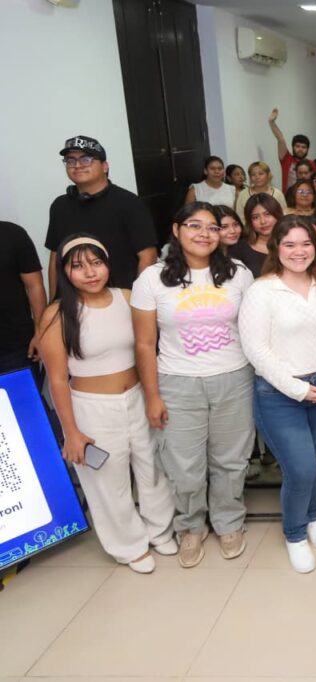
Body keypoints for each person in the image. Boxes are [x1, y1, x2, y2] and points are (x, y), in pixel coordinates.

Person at [37, 235, 176, 573]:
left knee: (153, 467)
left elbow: (149, 345)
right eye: (78, 266)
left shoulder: (127, 297)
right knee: (108, 480)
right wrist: (71, 432)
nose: (90, 273)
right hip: (92, 406)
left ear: (107, 264)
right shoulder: (57, 314)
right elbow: (57, 379)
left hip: (138, 395)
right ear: (64, 272)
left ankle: (160, 529)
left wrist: (154, 396)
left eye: (96, 263)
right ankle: (128, 545)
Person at [132, 202, 255, 568]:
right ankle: (190, 526)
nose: (204, 234)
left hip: (234, 378)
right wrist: (152, 396)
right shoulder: (151, 279)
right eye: (194, 225)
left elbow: (254, 328)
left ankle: (229, 521)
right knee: (183, 464)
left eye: (212, 227)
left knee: (231, 459)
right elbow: (144, 344)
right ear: (176, 230)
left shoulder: (239, 274)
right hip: (177, 381)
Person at [239, 215, 316, 573]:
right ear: (276, 248)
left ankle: (313, 516)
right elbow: (256, 350)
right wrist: (299, 389)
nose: (299, 251)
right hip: (280, 393)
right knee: (299, 468)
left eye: (306, 243)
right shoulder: (261, 291)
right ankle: (295, 533)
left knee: (314, 461)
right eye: (290, 244)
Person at [46, 135, 157, 293]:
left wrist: (139, 299)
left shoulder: (129, 203)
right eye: (70, 161)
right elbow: (55, 258)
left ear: (104, 166)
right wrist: (54, 301)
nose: (77, 165)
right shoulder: (59, 206)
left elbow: (148, 256)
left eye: (86, 159)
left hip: (122, 296)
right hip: (74, 299)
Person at [0, 221, 45, 377]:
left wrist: (40, 333)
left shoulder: (12, 233)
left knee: (23, 393)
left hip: (16, 345)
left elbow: (35, 286)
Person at [232, 193, 284, 275]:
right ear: (250, 221)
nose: (263, 221)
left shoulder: (292, 244)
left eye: (267, 214)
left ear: (278, 214)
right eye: (256, 217)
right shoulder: (239, 249)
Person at [268, 108, 315, 193]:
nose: (300, 149)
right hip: (288, 198)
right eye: (297, 146)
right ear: (293, 147)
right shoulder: (287, 159)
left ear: (307, 150)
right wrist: (272, 122)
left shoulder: (312, 164)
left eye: (303, 147)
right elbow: (280, 139)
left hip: (307, 197)